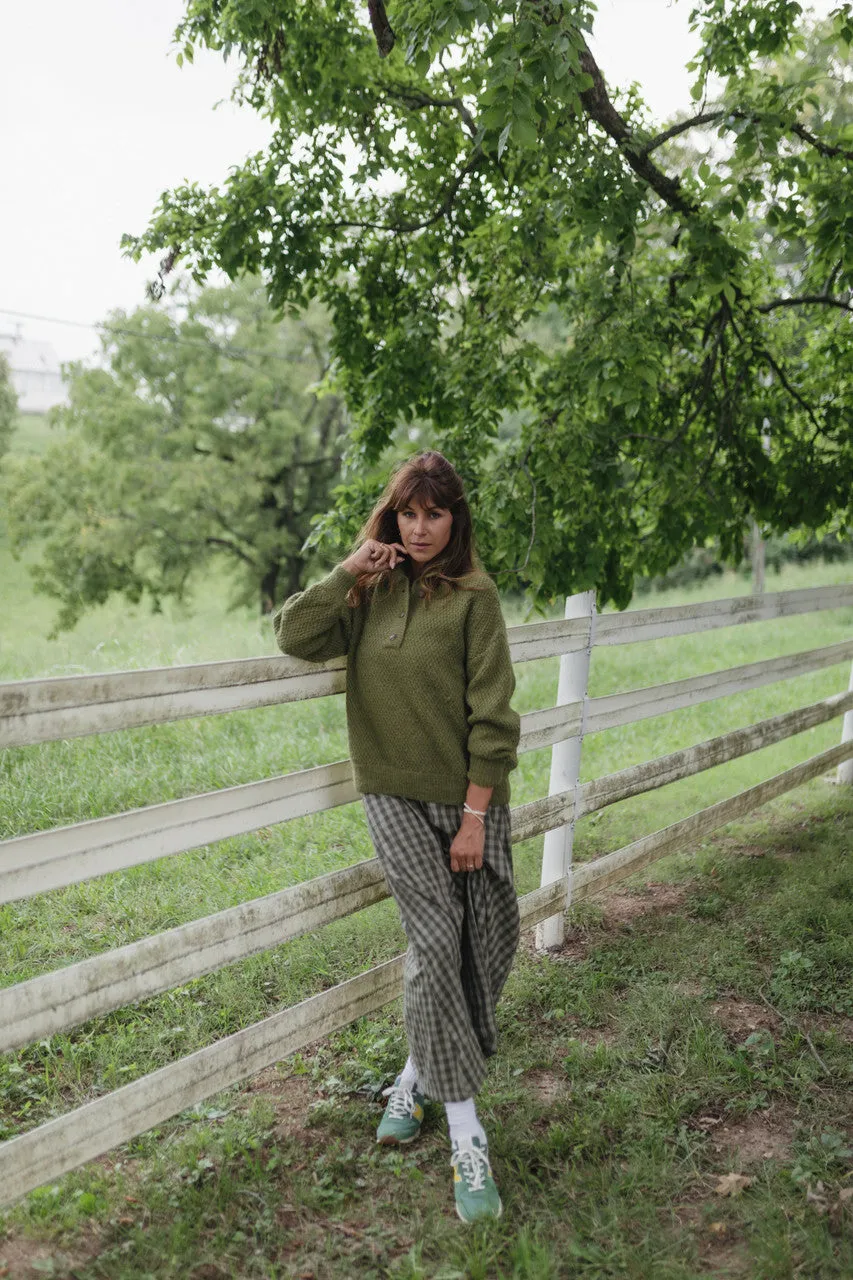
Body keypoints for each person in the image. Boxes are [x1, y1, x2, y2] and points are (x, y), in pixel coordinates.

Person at [273, 449, 521, 1223]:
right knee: (436, 934)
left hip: (470, 799)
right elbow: (292, 634)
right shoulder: (368, 592)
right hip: (391, 795)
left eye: (433, 514)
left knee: (484, 940)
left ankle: (413, 1076)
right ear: (391, 517)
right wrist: (349, 569)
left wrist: (475, 815)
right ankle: (465, 1132)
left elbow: (494, 713)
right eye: (407, 514)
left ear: (455, 520)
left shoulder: (475, 597)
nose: (419, 529)